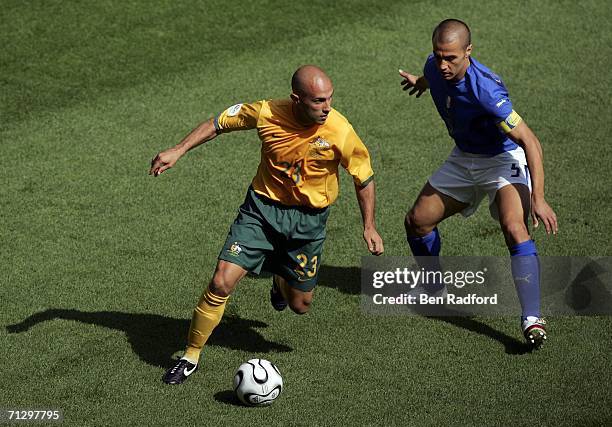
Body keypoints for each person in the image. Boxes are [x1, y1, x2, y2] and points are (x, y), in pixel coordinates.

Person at [150, 65, 384, 384]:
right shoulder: (266, 113)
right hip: (261, 211)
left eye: (329, 99)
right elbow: (218, 122)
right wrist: (178, 149)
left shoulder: (340, 129)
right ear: (296, 99)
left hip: (307, 223)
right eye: (318, 101)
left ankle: (279, 279)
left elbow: (364, 177)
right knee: (221, 282)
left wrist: (369, 225)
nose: (326, 107)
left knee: (300, 305)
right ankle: (191, 354)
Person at [398, 19, 558, 348]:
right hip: (464, 158)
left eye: (451, 58)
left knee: (514, 227)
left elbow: (530, 141)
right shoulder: (434, 66)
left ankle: (532, 317)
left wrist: (539, 198)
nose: (443, 64)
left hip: (502, 159)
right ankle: (434, 289)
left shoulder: (486, 90)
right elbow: (433, 75)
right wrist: (421, 81)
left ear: (468, 52)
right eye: (438, 55)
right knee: (417, 222)